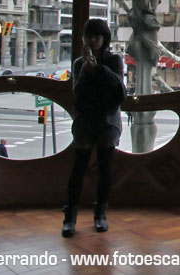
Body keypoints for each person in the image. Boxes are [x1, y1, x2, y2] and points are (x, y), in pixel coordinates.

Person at [62, 19, 125, 238]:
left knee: (105, 169)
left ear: (105, 39)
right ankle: (69, 217)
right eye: (90, 36)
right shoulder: (79, 63)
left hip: (107, 122)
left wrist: (97, 70)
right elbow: (77, 95)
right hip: (85, 122)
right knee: (78, 169)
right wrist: (86, 71)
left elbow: (119, 91)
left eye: (97, 36)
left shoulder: (115, 60)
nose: (93, 40)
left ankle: (100, 213)